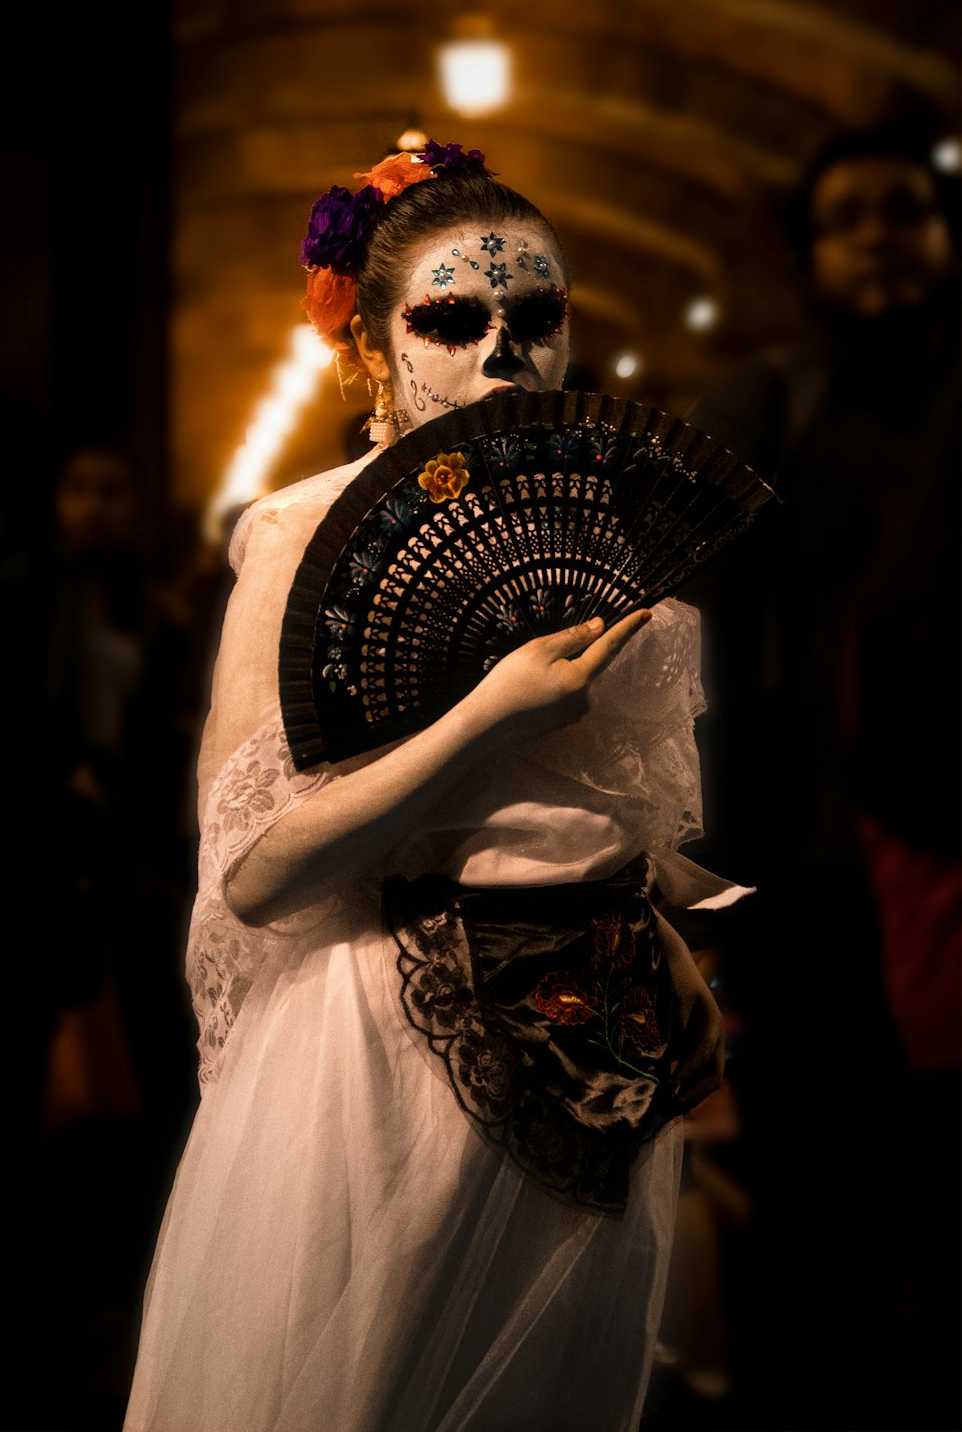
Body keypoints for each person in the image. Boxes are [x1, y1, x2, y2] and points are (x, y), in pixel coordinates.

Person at [122, 141, 749, 1432]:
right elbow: (257, 870)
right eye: (454, 320)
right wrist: (484, 719)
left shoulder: (614, 533)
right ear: (372, 345)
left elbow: (620, 810)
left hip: (599, 1047)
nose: (503, 352)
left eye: (538, 317)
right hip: (387, 1045)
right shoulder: (301, 533)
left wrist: (667, 927)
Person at [684, 124, 961, 1432]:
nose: (881, 237)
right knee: (814, 1204)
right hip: (809, 877)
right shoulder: (771, 407)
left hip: (946, 864)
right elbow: (693, 645)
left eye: (904, 210)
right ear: (809, 258)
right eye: (849, 217)